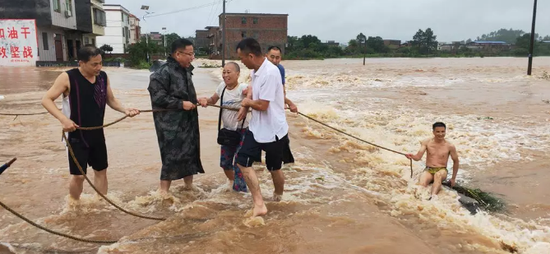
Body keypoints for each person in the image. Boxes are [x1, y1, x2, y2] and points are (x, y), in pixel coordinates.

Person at [41, 45, 140, 201]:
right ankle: (74, 205)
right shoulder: (68, 77)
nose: (98, 67)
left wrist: (125, 110)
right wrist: (64, 119)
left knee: (101, 171)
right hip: (75, 135)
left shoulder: (103, 77)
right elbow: (46, 100)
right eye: (94, 64)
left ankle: (101, 203)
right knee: (79, 176)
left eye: (100, 63)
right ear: (81, 63)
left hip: (97, 133)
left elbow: (111, 100)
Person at [235, 38, 289, 217]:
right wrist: (245, 106)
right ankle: (259, 204)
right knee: (242, 160)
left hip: (274, 130)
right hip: (256, 127)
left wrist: (247, 102)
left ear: (251, 55)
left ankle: (279, 196)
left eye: (242, 58)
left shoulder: (270, 73)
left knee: (274, 167)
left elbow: (263, 105)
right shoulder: (255, 71)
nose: (241, 62)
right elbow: (251, 90)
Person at [148, 39, 205, 195]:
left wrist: (196, 100)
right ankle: (163, 192)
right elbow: (158, 98)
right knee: (171, 156)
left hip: (189, 121)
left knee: (190, 152)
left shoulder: (185, 69)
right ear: (178, 54)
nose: (192, 57)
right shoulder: (162, 73)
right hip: (170, 125)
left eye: (193, 54)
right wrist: (181, 104)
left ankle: (189, 188)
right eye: (190, 54)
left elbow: (184, 93)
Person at [198, 62, 248, 192]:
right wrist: (204, 100)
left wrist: (245, 105)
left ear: (238, 74)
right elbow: (213, 100)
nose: (225, 75)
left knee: (239, 163)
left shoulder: (242, 88)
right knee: (225, 163)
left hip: (243, 131)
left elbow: (252, 93)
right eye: (224, 72)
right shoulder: (222, 87)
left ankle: (241, 192)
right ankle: (233, 183)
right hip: (227, 132)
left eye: (229, 72)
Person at [406, 122, 459, 199]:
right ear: (433, 132)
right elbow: (418, 157)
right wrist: (412, 156)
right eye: (438, 131)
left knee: (438, 175)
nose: (440, 134)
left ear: (445, 131)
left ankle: (432, 198)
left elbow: (456, 161)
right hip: (428, 169)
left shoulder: (450, 146)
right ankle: (419, 200)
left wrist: (453, 178)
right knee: (421, 185)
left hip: (442, 170)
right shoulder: (426, 142)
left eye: (442, 131)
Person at [266, 46, 296, 165]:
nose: (274, 60)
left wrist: (283, 102)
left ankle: (288, 164)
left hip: (275, 108)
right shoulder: (262, 70)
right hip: (263, 106)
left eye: (277, 58)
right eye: (272, 57)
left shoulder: (280, 69)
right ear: (266, 56)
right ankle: (257, 162)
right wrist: (290, 103)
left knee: (281, 134)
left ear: (281, 58)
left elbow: (281, 89)